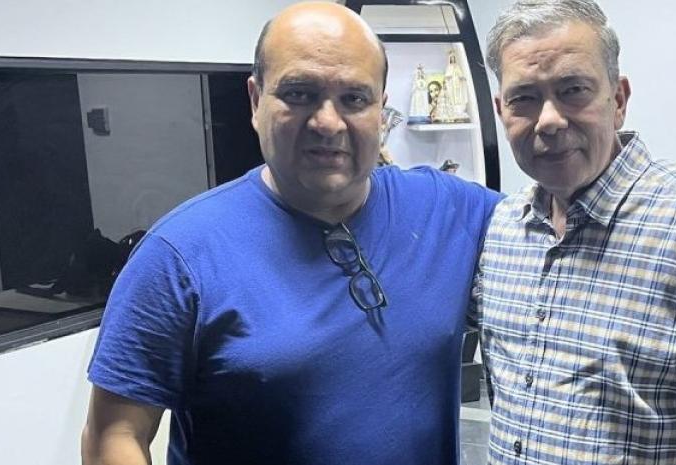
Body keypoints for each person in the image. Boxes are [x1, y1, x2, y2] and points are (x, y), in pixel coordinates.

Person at [80, 3, 500, 465]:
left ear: (381, 110)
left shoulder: (449, 211)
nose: (327, 122)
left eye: (354, 99)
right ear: (255, 100)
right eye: (299, 94)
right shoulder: (180, 256)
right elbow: (114, 433)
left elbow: (554, 222)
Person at [476, 0, 676, 463]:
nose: (548, 120)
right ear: (501, 111)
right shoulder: (505, 229)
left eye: (573, 90)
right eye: (523, 98)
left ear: (618, 100)